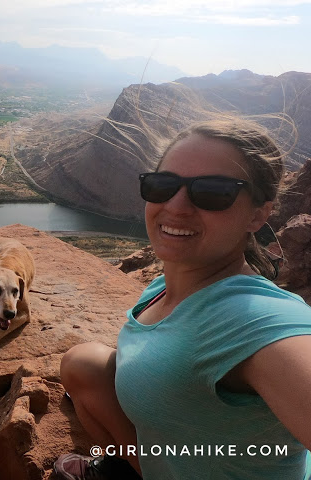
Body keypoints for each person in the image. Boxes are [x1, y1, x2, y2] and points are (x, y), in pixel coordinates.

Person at [53, 119, 311, 480]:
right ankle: (136, 468)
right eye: (163, 185)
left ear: (258, 214)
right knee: (84, 364)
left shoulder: (255, 320)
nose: (175, 206)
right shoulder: (161, 288)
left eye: (212, 192)